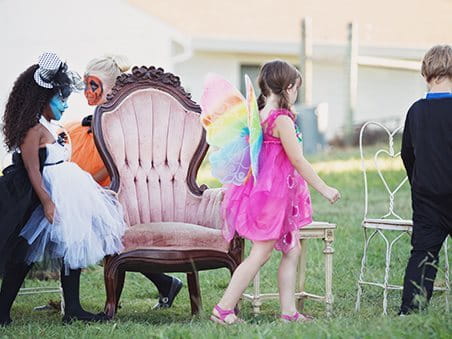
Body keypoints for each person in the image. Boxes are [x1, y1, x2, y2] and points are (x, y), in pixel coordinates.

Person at [204, 60, 340, 324]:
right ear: (288, 88)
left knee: (292, 249)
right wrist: (324, 188)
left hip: (273, 194)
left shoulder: (262, 114)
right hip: (274, 197)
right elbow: (298, 160)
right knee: (261, 253)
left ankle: (289, 312)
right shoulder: (282, 120)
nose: (296, 93)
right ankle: (223, 309)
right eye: (296, 88)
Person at [0, 52, 126, 326]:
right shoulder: (32, 129)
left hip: (68, 192)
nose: (66, 105)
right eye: (61, 99)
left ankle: (73, 308)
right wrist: (46, 201)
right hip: (47, 195)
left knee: (73, 244)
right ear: (43, 99)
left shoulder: (48, 124)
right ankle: (2, 309)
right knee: (25, 253)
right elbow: (33, 169)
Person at [65, 55, 182, 310]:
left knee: (99, 233)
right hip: (100, 187)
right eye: (85, 85)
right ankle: (164, 283)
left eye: (93, 85)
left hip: (124, 191)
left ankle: (79, 304)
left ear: (112, 87)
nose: (87, 91)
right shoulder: (90, 123)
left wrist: (83, 186)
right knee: (93, 233)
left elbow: (117, 165)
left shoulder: (122, 123)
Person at [399, 45, 452, 315]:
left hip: (427, 196)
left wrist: (418, 181)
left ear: (425, 73)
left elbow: (407, 153)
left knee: (423, 254)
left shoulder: (416, 111)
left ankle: (411, 310)